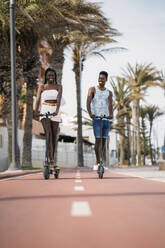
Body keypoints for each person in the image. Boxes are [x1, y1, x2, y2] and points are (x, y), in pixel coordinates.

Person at [34, 68, 63, 169]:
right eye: (49, 75)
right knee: (48, 134)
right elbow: (38, 100)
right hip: (45, 109)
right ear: (46, 76)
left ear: (55, 76)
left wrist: (57, 110)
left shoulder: (58, 86)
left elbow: (59, 98)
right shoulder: (42, 87)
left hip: (55, 111)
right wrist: (36, 111)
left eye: (52, 75)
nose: (51, 77)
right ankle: (50, 160)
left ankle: (52, 158)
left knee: (54, 136)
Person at [86, 71, 113, 171]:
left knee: (104, 141)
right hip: (96, 118)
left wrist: (111, 114)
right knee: (98, 140)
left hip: (106, 119)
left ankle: (102, 162)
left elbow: (110, 104)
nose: (100, 80)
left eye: (103, 78)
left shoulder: (109, 93)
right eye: (99, 78)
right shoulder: (92, 89)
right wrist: (90, 113)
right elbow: (88, 102)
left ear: (106, 80)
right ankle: (97, 162)